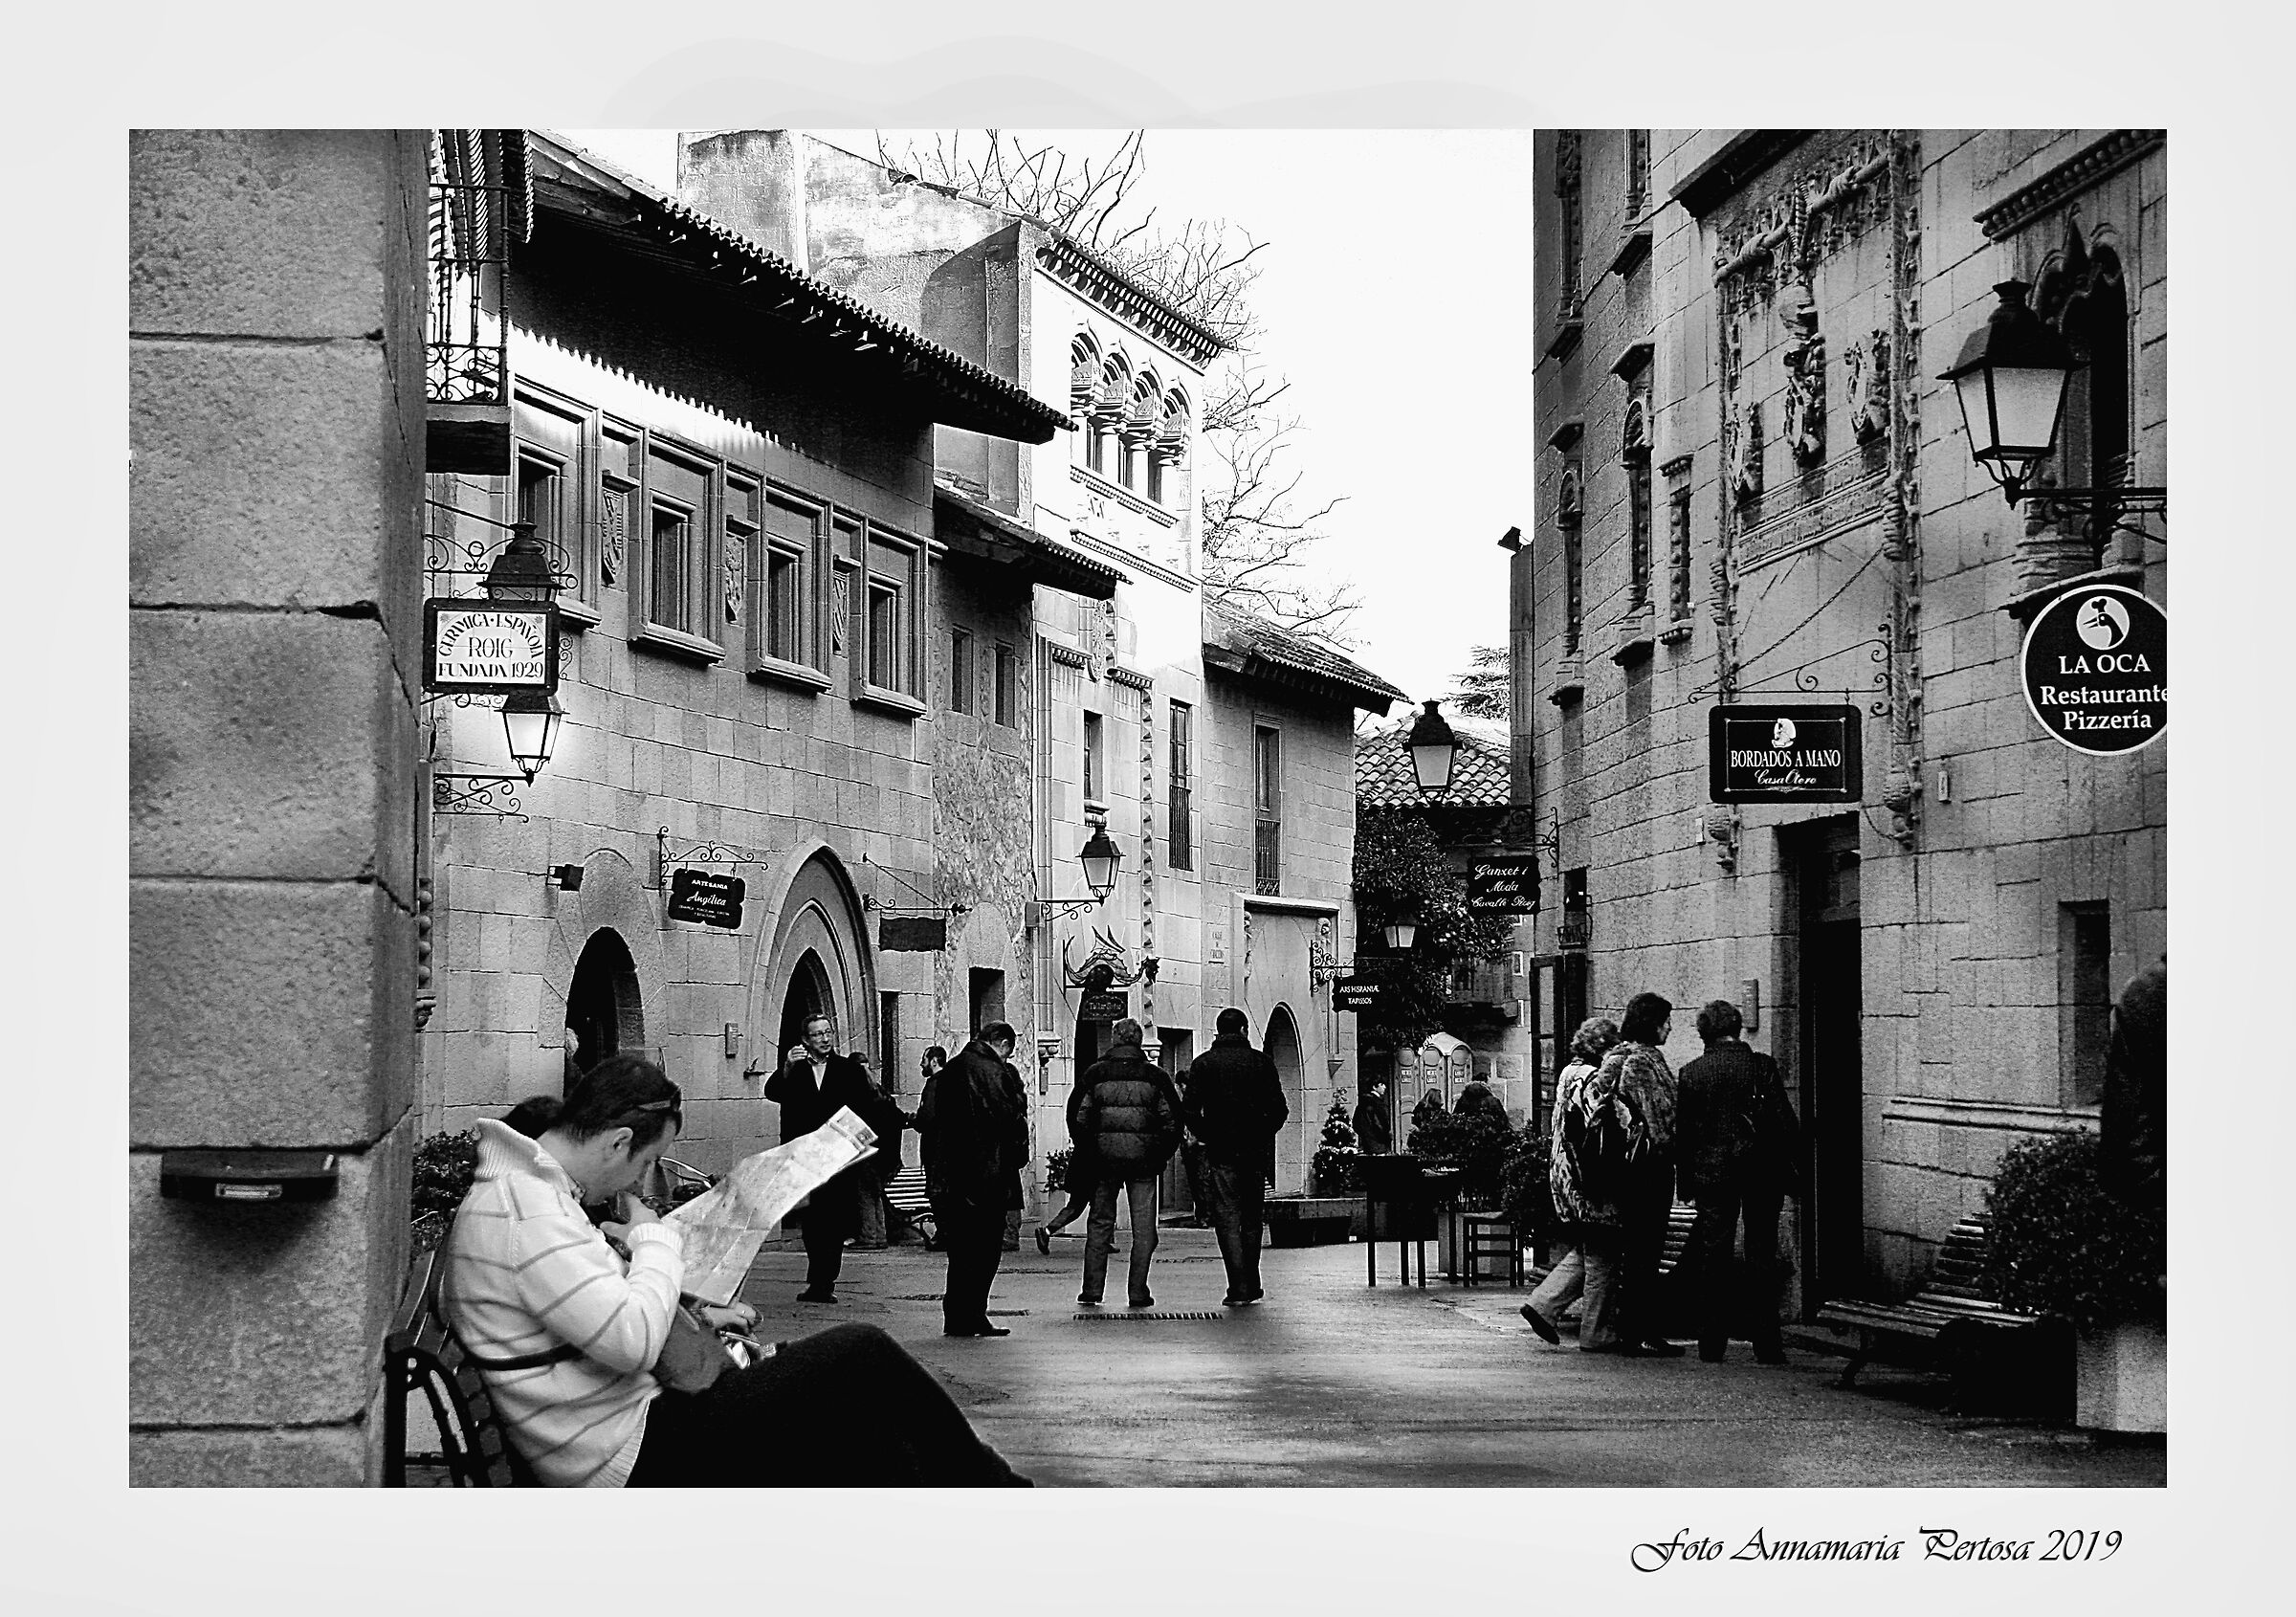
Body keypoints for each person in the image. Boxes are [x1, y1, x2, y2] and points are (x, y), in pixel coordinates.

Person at [445, 1053, 1027, 1486]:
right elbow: (631, 1340)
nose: (636, 1183)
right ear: (618, 1142)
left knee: (867, 1424)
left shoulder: (524, 1195)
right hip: (633, 1451)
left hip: (634, 1426)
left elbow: (606, 1316)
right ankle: (1004, 1503)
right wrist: (655, 1242)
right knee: (861, 1356)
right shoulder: (527, 1209)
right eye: (646, 1163)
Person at [1673, 999, 1800, 1363]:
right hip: (1762, 1171)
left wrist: (1686, 1184)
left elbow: (1685, 1136)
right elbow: (1785, 1123)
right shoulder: (1762, 1067)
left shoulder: (1693, 1073)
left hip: (1714, 1173)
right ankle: (1768, 1344)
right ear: (1738, 1027)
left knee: (1715, 1256)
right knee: (1762, 1253)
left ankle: (1712, 1343)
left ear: (1704, 1033)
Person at [916, 1020, 1028, 1337]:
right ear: (1001, 1044)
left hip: (953, 1175)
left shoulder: (949, 1071)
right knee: (986, 1249)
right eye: (1008, 1051)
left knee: (961, 1251)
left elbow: (933, 1122)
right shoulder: (995, 1072)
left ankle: (956, 1316)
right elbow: (1010, 1119)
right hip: (988, 1174)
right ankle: (974, 1314)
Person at [763, 1013, 879, 1303]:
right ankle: (817, 1279)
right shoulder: (798, 1069)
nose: (825, 1039)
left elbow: (866, 1105)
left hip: (838, 1155)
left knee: (835, 1218)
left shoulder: (847, 1069)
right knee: (812, 1220)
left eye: (828, 1033)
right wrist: (787, 1066)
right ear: (805, 1040)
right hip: (805, 1154)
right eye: (817, 1034)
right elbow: (773, 1092)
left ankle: (826, 1280)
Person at [1519, 1017, 1621, 1347]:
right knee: (1601, 1254)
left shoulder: (1567, 1073)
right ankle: (1596, 1331)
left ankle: (1543, 1304)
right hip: (1589, 1178)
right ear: (1603, 1047)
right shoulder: (1591, 1078)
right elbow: (1599, 1128)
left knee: (1590, 1247)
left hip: (1565, 1173)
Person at [1599, 992, 1685, 1357]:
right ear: (1652, 1023)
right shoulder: (1644, 1063)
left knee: (1631, 1251)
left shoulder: (1613, 1059)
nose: (1669, 1026)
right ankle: (1639, 1330)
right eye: (1665, 1020)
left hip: (1618, 1169)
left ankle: (1630, 1328)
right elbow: (1662, 1121)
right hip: (1648, 1170)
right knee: (1645, 1252)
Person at [1184, 1007, 1289, 1307]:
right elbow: (1280, 1110)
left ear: (1219, 1031)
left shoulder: (1203, 1064)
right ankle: (1251, 1281)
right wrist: (1262, 1131)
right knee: (1252, 1219)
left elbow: (1189, 1110)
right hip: (1254, 1152)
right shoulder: (1261, 1063)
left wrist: (1208, 1133)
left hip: (1221, 1151)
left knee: (1227, 1218)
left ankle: (1237, 1284)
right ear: (1244, 1030)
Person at [1074, 1019, 1183, 1308]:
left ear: (1114, 1039)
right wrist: (1159, 1156)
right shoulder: (1156, 1076)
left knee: (1099, 1225)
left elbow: (1079, 1118)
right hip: (1144, 1164)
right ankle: (1137, 1290)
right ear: (1138, 1041)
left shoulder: (1095, 1074)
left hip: (1102, 1162)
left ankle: (1092, 1290)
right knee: (1145, 1229)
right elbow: (1172, 1122)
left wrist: (1090, 1151)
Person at [1353, 1079, 1393, 1156]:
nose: (1384, 1087)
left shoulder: (1362, 1102)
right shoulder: (1377, 1103)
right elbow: (1379, 1123)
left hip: (1366, 1143)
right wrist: (1385, 1136)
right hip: (1379, 1143)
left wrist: (1365, 1136)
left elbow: (1356, 1124)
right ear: (1374, 1087)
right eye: (1382, 1084)